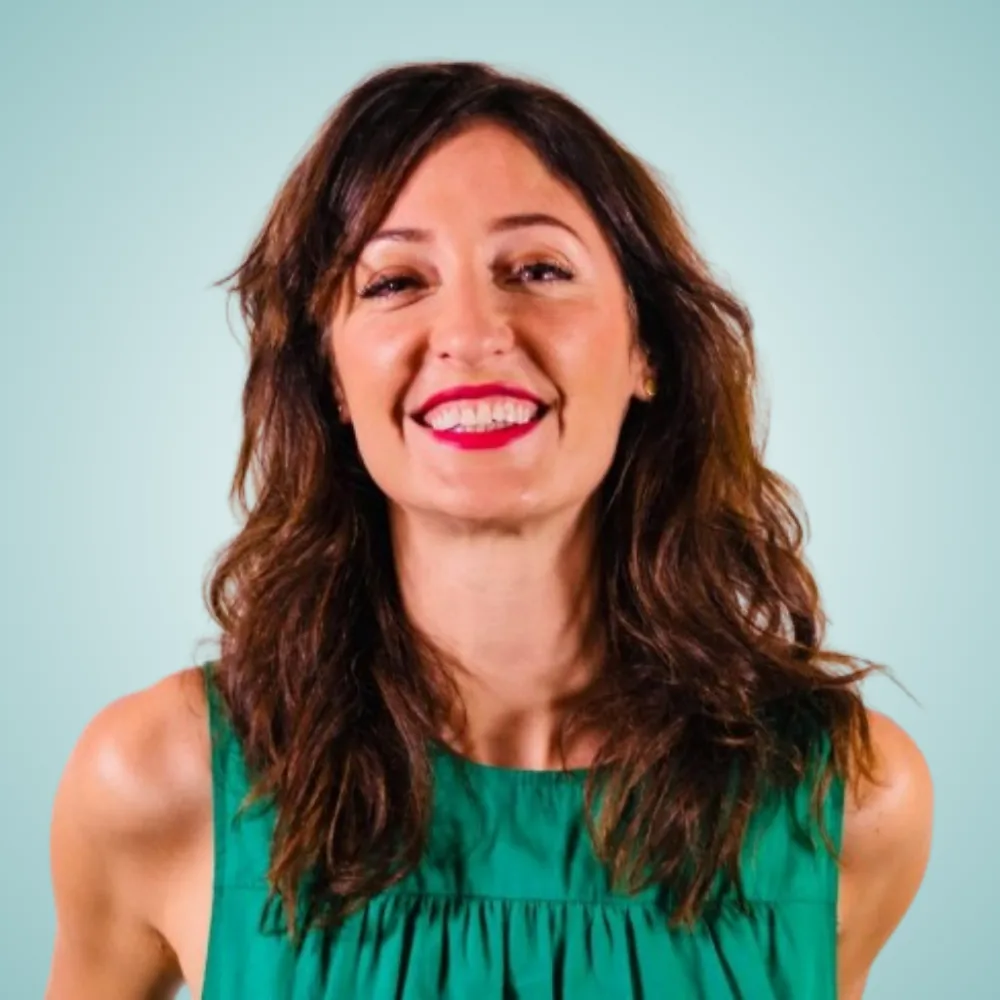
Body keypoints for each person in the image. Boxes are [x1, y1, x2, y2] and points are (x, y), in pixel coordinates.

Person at [45, 61, 933, 999]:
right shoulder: (159, 782)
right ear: (332, 376)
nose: (472, 334)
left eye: (539, 270)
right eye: (395, 281)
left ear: (648, 350)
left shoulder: (851, 802)